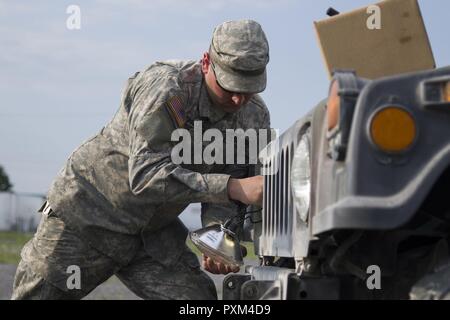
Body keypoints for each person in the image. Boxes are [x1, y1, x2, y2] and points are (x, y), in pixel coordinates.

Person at [12, 19, 270, 300]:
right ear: (206, 62)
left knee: (197, 301)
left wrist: (217, 237)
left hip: (151, 235)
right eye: (230, 87)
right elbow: (146, 175)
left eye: (248, 90)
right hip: (89, 216)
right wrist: (233, 186)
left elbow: (230, 178)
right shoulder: (167, 89)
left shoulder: (252, 117)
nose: (237, 100)